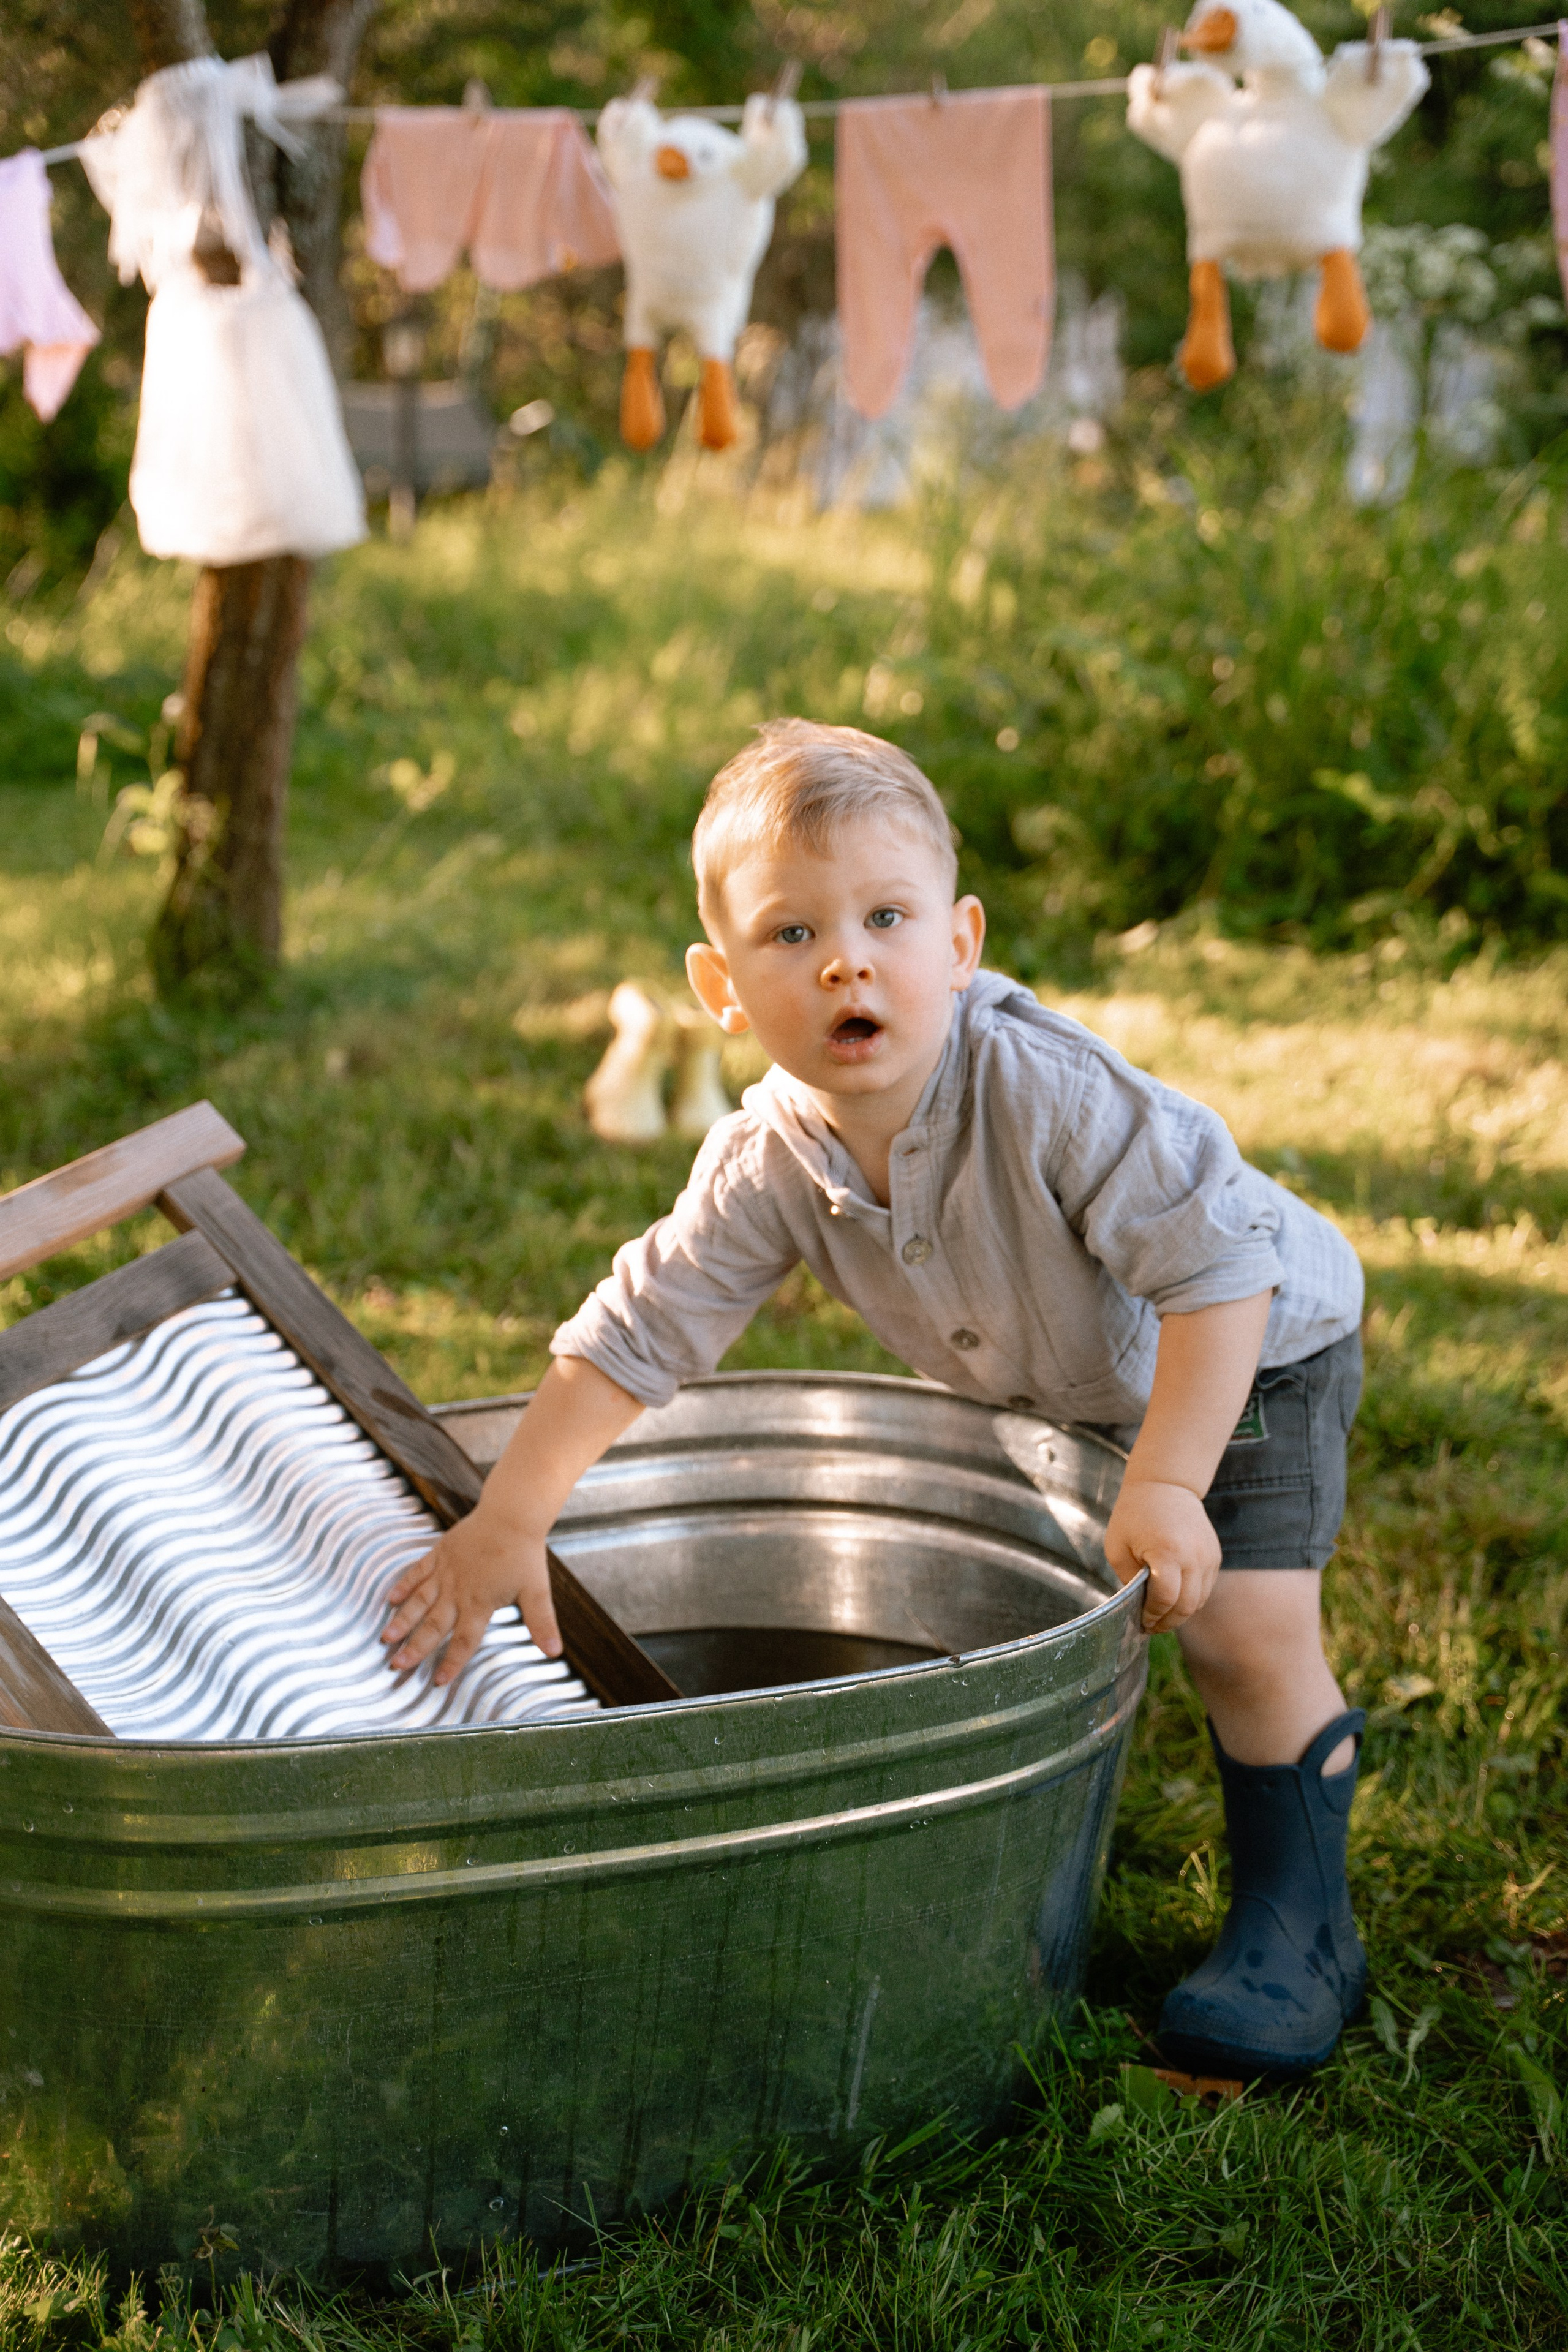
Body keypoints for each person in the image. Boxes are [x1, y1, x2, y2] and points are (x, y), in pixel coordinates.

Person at [382, 718, 1368, 2081]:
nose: (844, 958)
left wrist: (1164, 1479)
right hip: (1074, 1380)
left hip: (1245, 1348)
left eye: (884, 917)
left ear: (957, 946)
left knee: (1242, 1629)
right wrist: (510, 1518)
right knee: (1103, 1599)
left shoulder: (1043, 1093)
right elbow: (641, 1326)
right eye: (790, 935)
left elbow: (1213, 1272)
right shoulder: (767, 1155)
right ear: (719, 988)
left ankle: (1297, 1922)